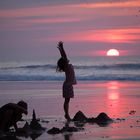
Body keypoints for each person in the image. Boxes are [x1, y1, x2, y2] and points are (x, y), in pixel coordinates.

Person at [57, 41, 77, 121]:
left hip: (68, 85)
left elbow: (63, 57)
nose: (67, 59)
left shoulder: (66, 66)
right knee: (66, 101)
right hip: (67, 85)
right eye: (65, 60)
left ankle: (67, 114)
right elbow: (64, 56)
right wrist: (62, 48)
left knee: (67, 101)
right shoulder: (67, 67)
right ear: (64, 62)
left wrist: (61, 50)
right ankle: (67, 115)